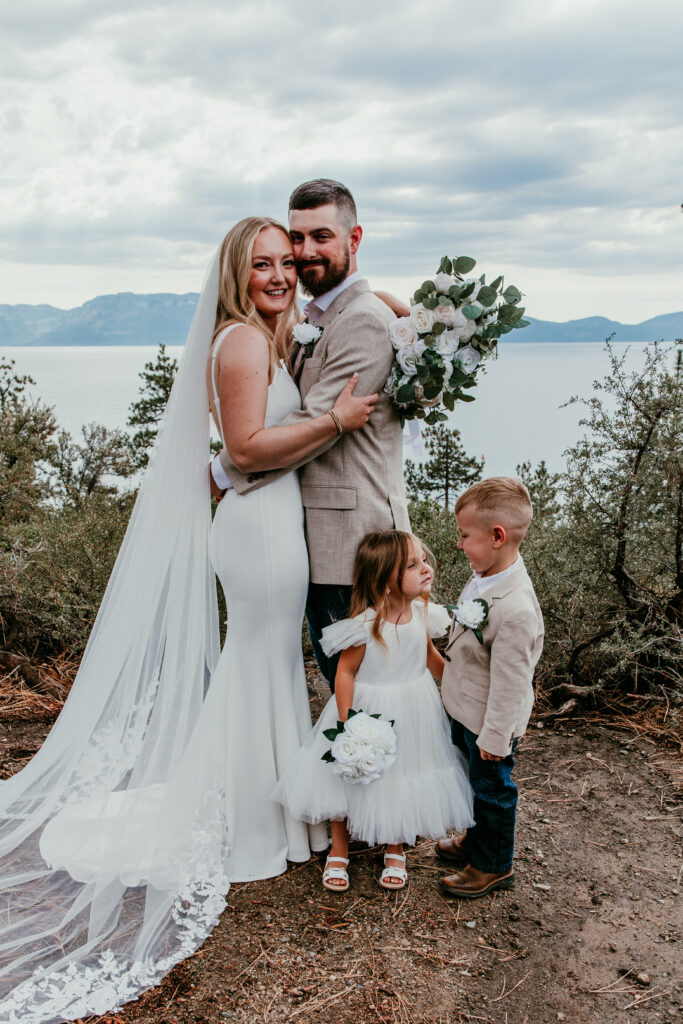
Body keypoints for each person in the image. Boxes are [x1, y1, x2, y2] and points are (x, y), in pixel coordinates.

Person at [0, 217, 379, 1022]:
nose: (279, 275)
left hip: (270, 524)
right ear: (236, 274)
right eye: (262, 264)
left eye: (287, 262)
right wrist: (339, 423)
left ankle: (279, 813)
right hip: (257, 530)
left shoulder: (271, 337)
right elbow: (242, 451)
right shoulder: (241, 342)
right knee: (256, 661)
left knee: (268, 664)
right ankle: (251, 823)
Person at [211, 180, 411, 689]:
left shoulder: (363, 321)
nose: (304, 253)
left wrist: (223, 469)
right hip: (309, 538)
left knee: (369, 695)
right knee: (356, 692)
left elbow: (315, 424)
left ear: (354, 238)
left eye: (320, 236)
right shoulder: (312, 318)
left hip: (353, 540)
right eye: (296, 239)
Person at [272, 530, 474, 892]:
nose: (426, 569)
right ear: (385, 582)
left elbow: (429, 657)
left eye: (423, 561)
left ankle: (395, 846)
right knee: (346, 778)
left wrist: (457, 689)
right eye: (413, 565)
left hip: (414, 708)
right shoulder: (365, 626)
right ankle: (339, 848)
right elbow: (345, 673)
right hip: (368, 710)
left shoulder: (422, 612)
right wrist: (348, 721)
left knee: (401, 774)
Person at [436, 477, 545, 899]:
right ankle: (475, 838)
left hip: (490, 725)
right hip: (467, 710)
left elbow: (511, 684)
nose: (460, 545)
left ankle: (493, 864)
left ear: (497, 536)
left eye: (466, 536)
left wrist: (496, 738)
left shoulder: (516, 609)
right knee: (472, 783)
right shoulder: (484, 575)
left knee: (493, 790)